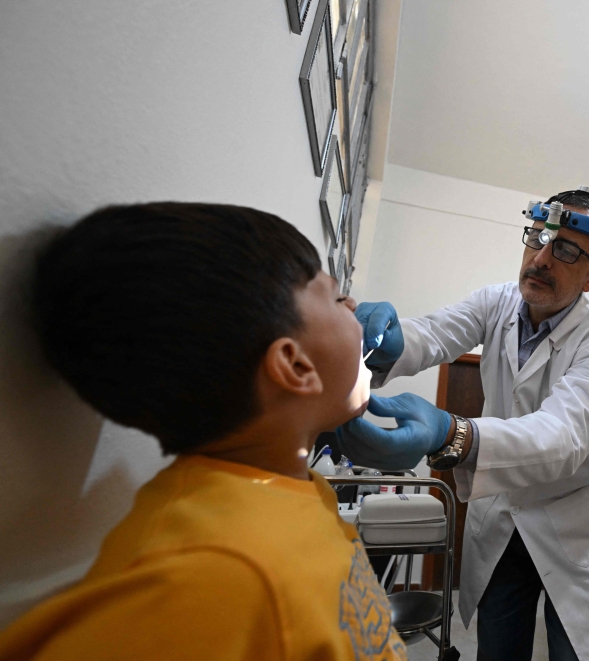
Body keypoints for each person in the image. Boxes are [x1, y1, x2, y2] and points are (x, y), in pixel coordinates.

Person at [0, 203, 406, 660]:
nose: (354, 305)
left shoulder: (290, 494)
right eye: (335, 297)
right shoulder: (210, 577)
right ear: (294, 366)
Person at [336, 187, 589, 661]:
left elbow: (564, 437)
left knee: (575, 651)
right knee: (497, 649)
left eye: (567, 250)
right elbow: (434, 332)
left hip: (575, 524)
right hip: (502, 519)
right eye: (537, 236)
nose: (541, 258)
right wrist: (386, 340)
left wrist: (452, 435)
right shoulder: (496, 303)